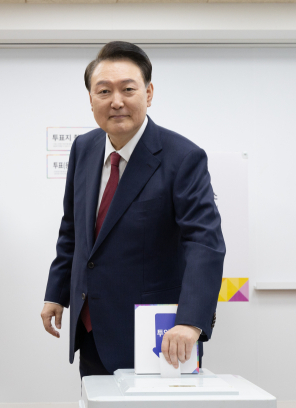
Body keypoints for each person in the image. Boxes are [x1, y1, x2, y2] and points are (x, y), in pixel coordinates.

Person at [40, 41, 225, 378]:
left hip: (159, 335)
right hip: (91, 326)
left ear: (149, 93)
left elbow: (204, 243)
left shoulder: (183, 157)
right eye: (104, 91)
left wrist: (190, 321)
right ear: (91, 99)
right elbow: (73, 229)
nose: (116, 101)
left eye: (128, 89)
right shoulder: (84, 148)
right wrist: (57, 292)